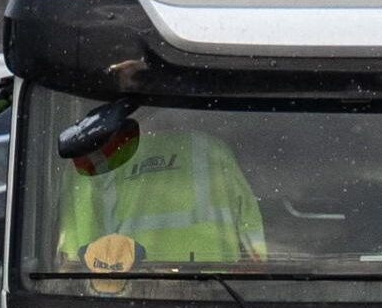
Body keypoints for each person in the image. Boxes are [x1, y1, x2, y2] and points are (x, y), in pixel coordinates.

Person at [51, 116, 267, 270]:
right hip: (215, 295)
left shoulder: (94, 163)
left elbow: (76, 253)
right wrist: (259, 268)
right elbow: (250, 226)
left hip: (128, 295)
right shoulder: (211, 149)